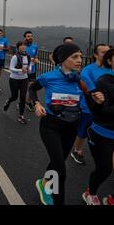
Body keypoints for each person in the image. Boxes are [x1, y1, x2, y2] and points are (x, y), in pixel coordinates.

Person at [30, 43, 86, 205]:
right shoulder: (49, 77)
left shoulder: (79, 79)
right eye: (74, 57)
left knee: (57, 161)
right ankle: (57, 200)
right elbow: (32, 89)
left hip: (72, 126)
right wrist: (37, 104)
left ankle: (44, 183)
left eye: (81, 56)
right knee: (61, 171)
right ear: (62, 60)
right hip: (51, 126)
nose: (79, 60)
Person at [82, 45, 114, 205]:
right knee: (104, 170)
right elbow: (101, 113)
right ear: (110, 60)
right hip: (103, 134)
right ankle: (90, 193)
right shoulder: (104, 82)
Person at [70, 44, 110, 165]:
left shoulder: (113, 69)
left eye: (109, 52)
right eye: (103, 52)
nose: (107, 54)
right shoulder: (88, 70)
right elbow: (91, 91)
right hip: (89, 107)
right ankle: (76, 150)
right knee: (83, 130)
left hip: (108, 108)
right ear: (96, 55)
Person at [3, 41, 31, 124]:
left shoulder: (28, 56)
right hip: (14, 79)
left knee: (23, 97)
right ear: (18, 47)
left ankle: (21, 116)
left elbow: (29, 65)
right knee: (14, 96)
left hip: (24, 79)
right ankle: (8, 101)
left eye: (24, 45)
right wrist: (20, 70)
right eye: (21, 45)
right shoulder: (15, 57)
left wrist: (29, 69)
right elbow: (11, 68)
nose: (23, 47)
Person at [24, 31, 39, 111]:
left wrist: (36, 59)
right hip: (23, 70)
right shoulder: (22, 46)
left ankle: (28, 102)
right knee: (24, 88)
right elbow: (18, 57)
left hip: (32, 70)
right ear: (25, 38)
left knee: (31, 87)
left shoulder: (35, 46)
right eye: (28, 36)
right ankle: (22, 102)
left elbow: (36, 55)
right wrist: (29, 59)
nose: (30, 37)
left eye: (31, 36)